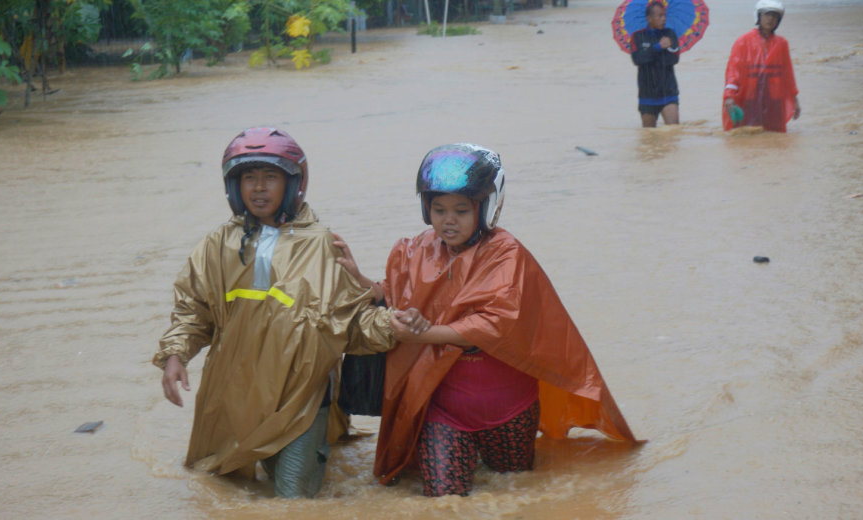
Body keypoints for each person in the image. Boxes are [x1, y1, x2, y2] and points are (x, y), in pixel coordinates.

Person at [334, 143, 641, 497]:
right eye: (438, 209)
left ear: (486, 209)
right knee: (444, 502)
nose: (448, 220)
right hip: (443, 408)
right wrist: (362, 282)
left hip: (509, 409)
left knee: (516, 490)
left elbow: (492, 325)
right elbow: (398, 293)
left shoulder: (507, 253)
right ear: (425, 209)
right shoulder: (416, 249)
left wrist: (424, 333)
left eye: (461, 210)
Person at [153, 127, 426, 498]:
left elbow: (352, 322)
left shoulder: (322, 244)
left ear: (293, 183)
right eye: (249, 178)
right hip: (235, 396)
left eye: (270, 177)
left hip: (302, 396)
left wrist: (391, 324)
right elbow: (193, 311)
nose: (259, 188)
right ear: (234, 186)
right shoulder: (216, 245)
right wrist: (175, 355)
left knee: (295, 503)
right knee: (223, 492)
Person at [722, 0, 801, 132]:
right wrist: (729, 96)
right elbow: (733, 70)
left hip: (774, 98)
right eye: (767, 14)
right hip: (750, 95)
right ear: (758, 16)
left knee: (775, 134)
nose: (771, 19)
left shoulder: (782, 44)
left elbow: (787, 74)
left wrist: (794, 99)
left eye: (775, 16)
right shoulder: (743, 41)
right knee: (746, 133)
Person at [631, 1, 680, 128]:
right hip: (646, 94)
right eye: (659, 16)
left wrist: (661, 50)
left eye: (664, 15)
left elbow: (674, 59)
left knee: (674, 132)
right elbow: (638, 59)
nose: (664, 19)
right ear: (649, 18)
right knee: (649, 137)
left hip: (668, 92)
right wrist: (658, 47)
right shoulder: (637, 37)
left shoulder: (670, 34)